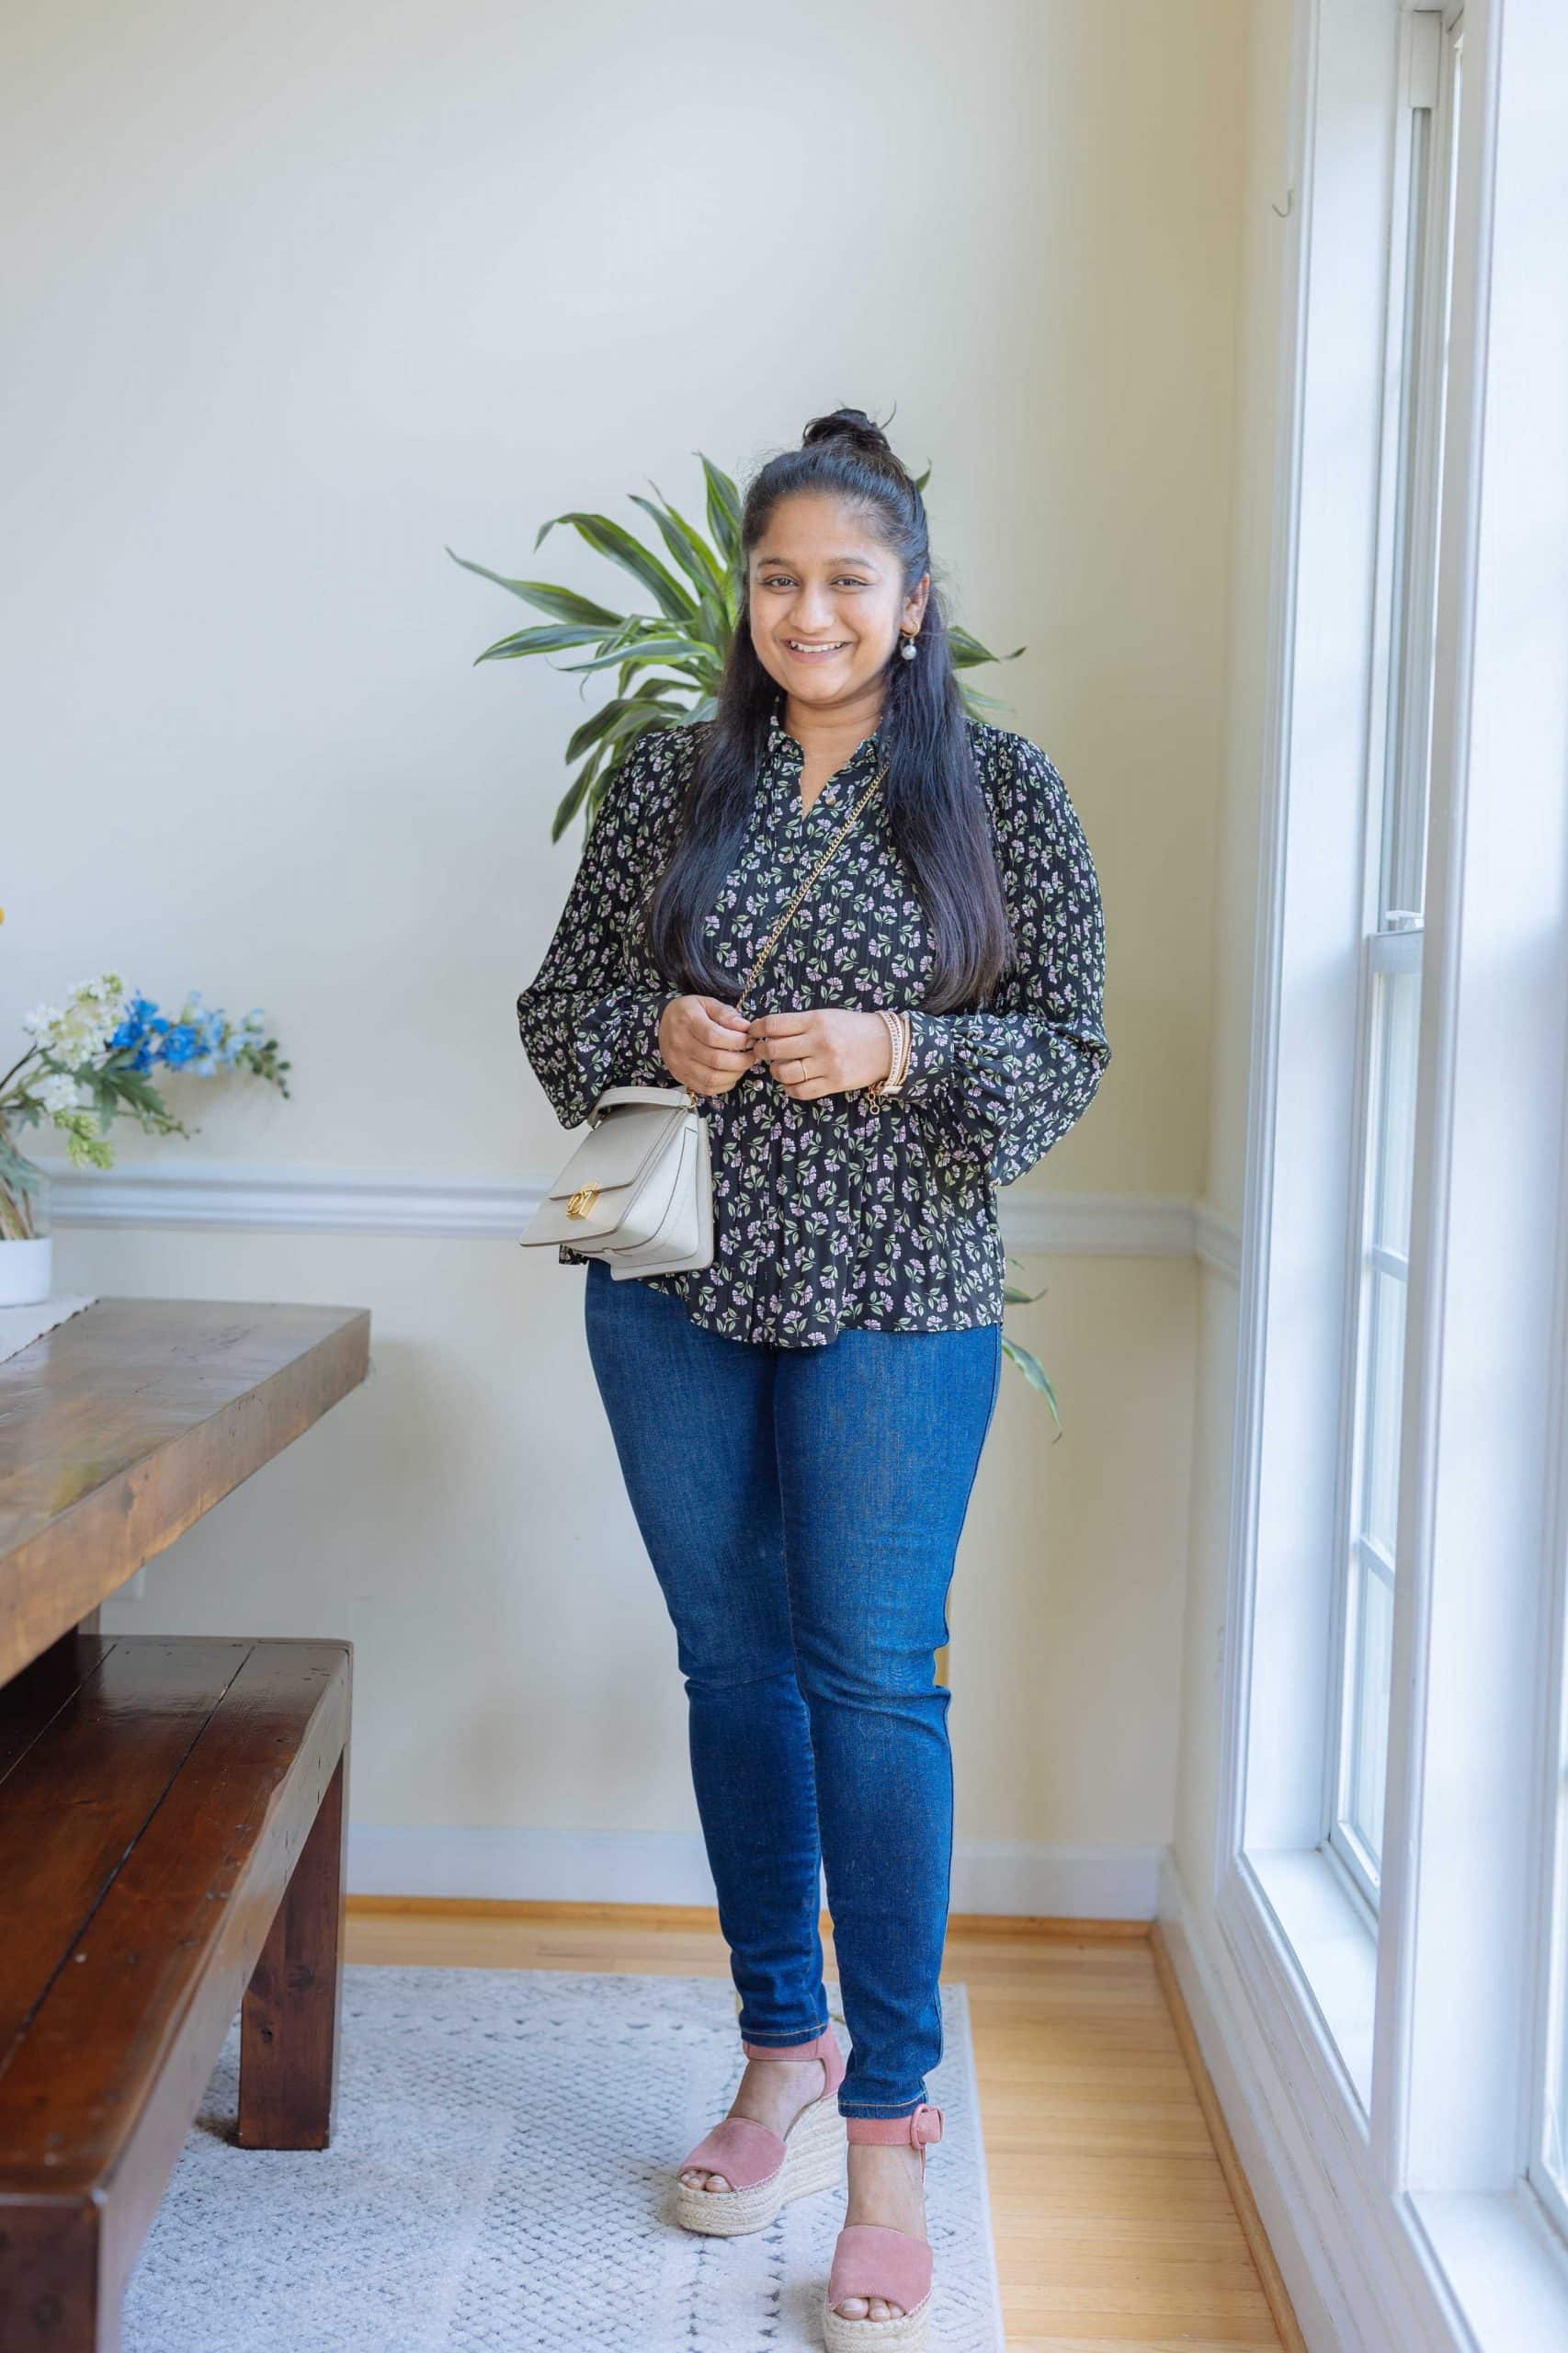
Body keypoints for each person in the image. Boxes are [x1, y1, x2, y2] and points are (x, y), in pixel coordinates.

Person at [515, 405, 1110, 2350]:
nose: (809, 608)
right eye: (778, 576)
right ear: (746, 595)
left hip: (898, 1286)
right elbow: (560, 1004)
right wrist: (652, 1023)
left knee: (870, 1676)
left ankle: (884, 2122)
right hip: (668, 1276)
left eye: (848, 577)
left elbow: (1067, 1041)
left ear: (913, 602)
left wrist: (902, 1054)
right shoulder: (674, 785)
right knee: (729, 1664)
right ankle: (781, 2039)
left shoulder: (998, 793)